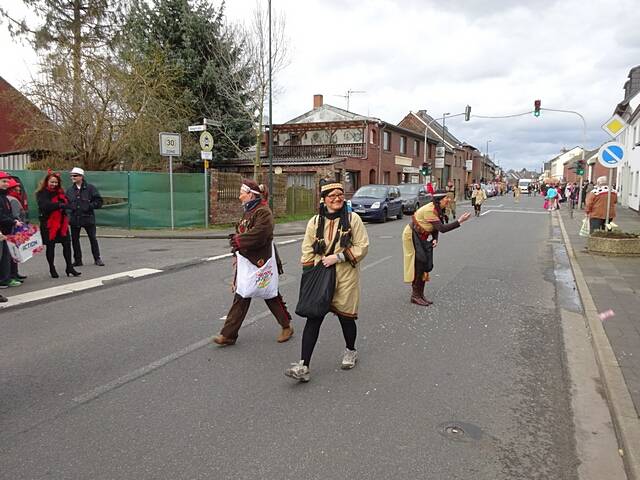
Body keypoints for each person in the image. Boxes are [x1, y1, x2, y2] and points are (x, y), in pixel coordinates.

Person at [285, 180, 369, 383]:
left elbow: (362, 246)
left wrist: (338, 257)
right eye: (331, 196)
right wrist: (309, 273)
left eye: (340, 195)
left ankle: (350, 350)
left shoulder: (353, 219)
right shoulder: (314, 222)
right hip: (320, 273)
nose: (337, 199)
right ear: (323, 200)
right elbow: (307, 248)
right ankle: (303, 365)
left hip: (345, 276)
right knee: (314, 317)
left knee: (345, 317)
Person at [212, 179, 294, 346]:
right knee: (242, 294)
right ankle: (228, 335)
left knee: (270, 294)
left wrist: (238, 241)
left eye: (242, 192)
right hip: (247, 260)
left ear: (250, 194)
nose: (240, 196)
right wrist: (236, 249)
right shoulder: (248, 211)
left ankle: (286, 326)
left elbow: (261, 232)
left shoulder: (263, 212)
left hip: (262, 260)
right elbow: (242, 231)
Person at [402, 189, 471, 306]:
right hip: (412, 235)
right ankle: (415, 295)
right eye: (446, 198)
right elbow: (442, 228)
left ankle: (420, 294)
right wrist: (460, 221)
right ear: (439, 200)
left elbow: (435, 227)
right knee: (419, 262)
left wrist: (435, 238)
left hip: (422, 235)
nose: (449, 200)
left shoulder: (437, 208)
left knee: (424, 264)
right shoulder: (429, 210)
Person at [36, 171, 81, 278]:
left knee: (67, 245)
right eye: (52, 182)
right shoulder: (41, 193)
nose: (54, 184)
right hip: (48, 224)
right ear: (47, 182)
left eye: (56, 182)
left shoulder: (60, 192)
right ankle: (52, 268)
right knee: (50, 247)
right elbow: (45, 206)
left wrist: (68, 207)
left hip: (62, 223)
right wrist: (60, 205)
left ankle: (69, 267)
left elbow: (67, 203)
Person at [66, 167, 105, 266]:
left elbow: (99, 201)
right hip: (75, 219)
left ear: (81, 177)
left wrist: (89, 206)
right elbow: (66, 203)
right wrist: (69, 212)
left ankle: (97, 258)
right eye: (71, 176)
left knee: (93, 238)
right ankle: (78, 260)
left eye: (75, 175)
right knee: (75, 240)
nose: (72, 177)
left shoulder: (91, 188)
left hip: (88, 218)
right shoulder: (70, 190)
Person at [0, 171, 24, 291]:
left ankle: (6, 278)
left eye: (7, 181)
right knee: (4, 256)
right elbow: (1, 215)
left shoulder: (4, 197)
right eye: (4, 181)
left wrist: (13, 220)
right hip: (2, 232)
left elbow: (6, 214)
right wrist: (14, 221)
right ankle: (4, 279)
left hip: (6, 231)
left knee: (7, 256)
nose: (6, 183)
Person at [7, 178, 28, 282]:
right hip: (15, 229)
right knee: (14, 252)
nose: (19, 189)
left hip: (12, 228)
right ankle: (13, 274)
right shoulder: (13, 200)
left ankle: (14, 273)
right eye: (16, 187)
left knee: (12, 252)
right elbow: (16, 215)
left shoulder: (9, 198)